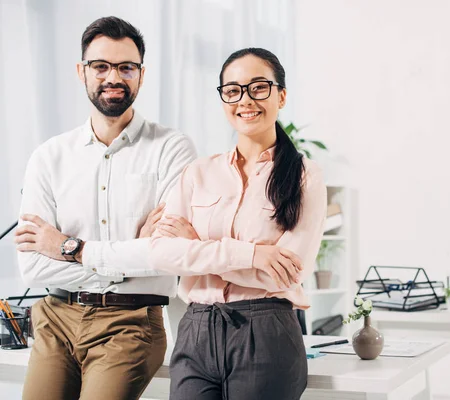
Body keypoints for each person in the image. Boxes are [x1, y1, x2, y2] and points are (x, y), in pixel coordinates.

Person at [15, 16, 196, 400]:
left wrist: (67, 247)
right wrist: (130, 255)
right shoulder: (49, 157)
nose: (113, 76)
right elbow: (31, 266)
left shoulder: (171, 149)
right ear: (82, 72)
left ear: (141, 75)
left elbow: (169, 257)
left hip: (131, 323)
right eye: (101, 66)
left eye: (126, 67)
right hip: (55, 317)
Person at [149, 47, 327, 400]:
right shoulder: (198, 172)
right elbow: (162, 253)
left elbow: (288, 271)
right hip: (196, 329)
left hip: (266, 331)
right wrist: (252, 255)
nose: (245, 100)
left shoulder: (305, 175)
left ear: (282, 96)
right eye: (232, 90)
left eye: (258, 87)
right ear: (223, 100)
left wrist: (196, 247)